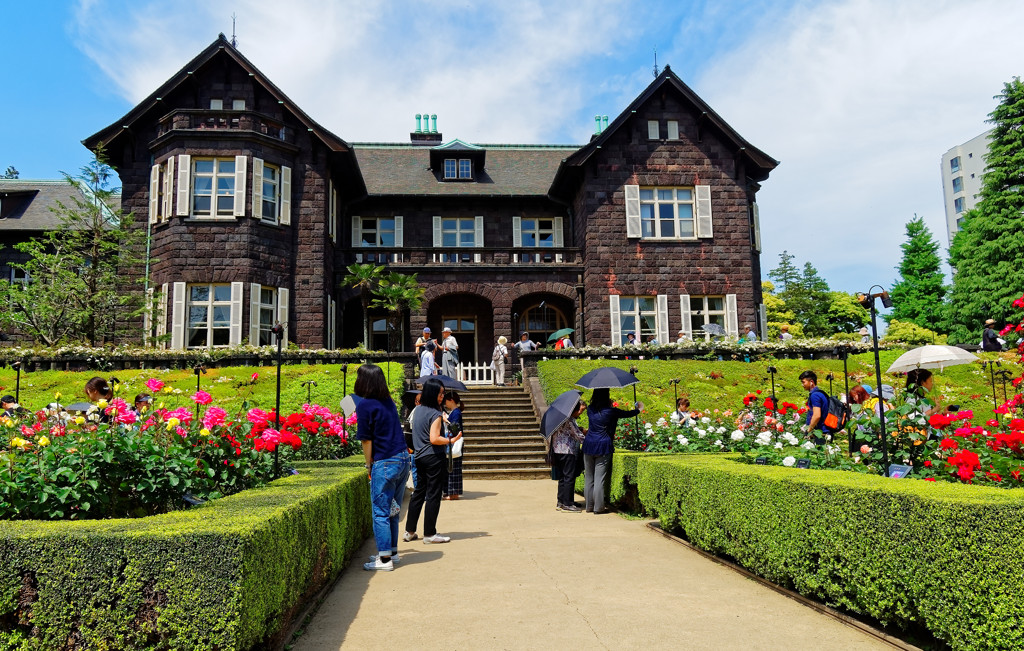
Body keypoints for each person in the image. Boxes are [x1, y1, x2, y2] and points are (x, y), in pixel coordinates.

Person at [355, 364, 412, 572]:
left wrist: (368, 465)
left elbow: (366, 441)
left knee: (380, 512)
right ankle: (391, 553)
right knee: (393, 510)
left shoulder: (364, 405)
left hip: (385, 461)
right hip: (403, 458)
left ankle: (385, 560)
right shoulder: (388, 401)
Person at [404, 377, 461, 544]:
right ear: (432, 393)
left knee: (419, 493)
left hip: (419, 456)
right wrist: (452, 440)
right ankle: (430, 533)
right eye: (440, 393)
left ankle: (409, 531)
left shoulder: (419, 409)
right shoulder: (435, 413)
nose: (442, 396)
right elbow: (435, 438)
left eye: (443, 393)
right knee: (434, 495)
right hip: (434, 457)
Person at [582, 388, 640, 514]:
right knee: (599, 479)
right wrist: (638, 408)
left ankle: (589, 506)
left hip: (589, 444)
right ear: (606, 397)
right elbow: (628, 414)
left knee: (589, 478)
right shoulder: (611, 411)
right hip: (603, 445)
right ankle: (598, 508)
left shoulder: (590, 410)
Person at [550, 398, 586, 512]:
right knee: (569, 477)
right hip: (568, 451)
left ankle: (561, 501)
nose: (579, 413)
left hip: (558, 450)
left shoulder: (559, 419)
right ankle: (568, 504)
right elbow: (578, 436)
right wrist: (589, 441)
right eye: (578, 411)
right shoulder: (569, 420)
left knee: (562, 477)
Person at [798, 370, 832, 445]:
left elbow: (817, 415)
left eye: (803, 382)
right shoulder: (821, 393)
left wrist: (809, 431)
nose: (802, 385)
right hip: (825, 431)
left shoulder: (815, 396)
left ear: (811, 382)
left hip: (821, 432)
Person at [442, 391, 465, 500]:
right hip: (454, 441)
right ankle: (452, 492)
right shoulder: (455, 412)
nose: (445, 403)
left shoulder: (456, 413)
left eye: (446, 401)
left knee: (453, 467)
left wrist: (445, 420)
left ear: (451, 400)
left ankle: (454, 493)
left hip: (455, 441)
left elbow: (454, 427)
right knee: (452, 467)